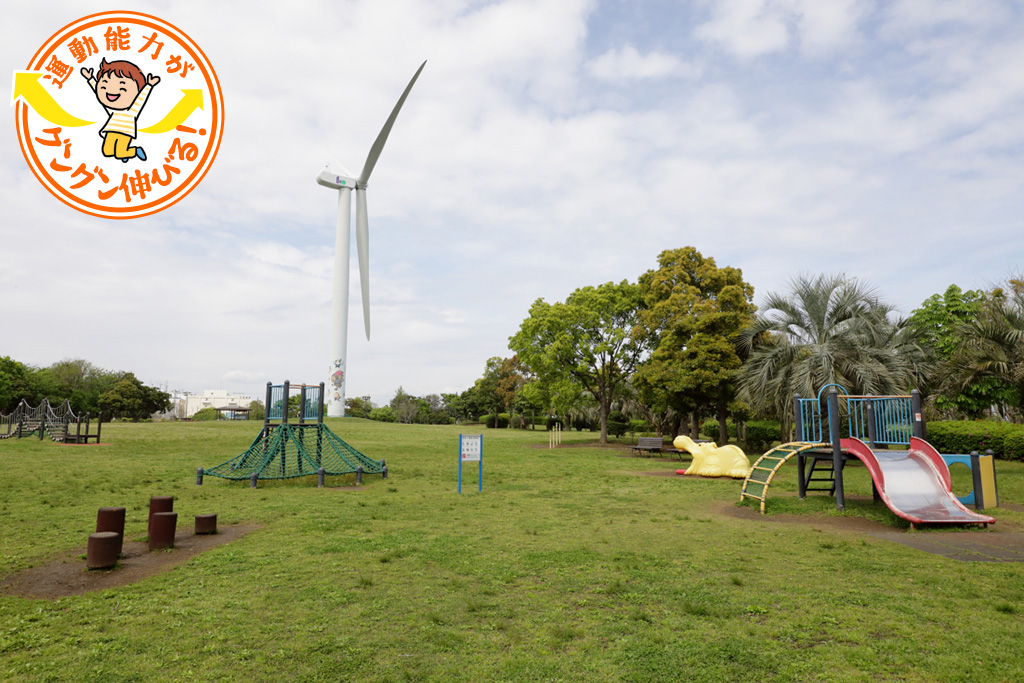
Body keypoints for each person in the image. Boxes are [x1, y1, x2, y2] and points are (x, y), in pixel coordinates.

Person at [80, 58, 160, 162]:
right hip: (111, 130)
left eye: (122, 84)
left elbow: (142, 98)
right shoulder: (112, 110)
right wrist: (90, 78)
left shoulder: (132, 110)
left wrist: (149, 85)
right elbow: (98, 90)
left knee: (120, 153)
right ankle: (125, 154)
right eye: (105, 82)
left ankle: (135, 151)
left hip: (125, 132)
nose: (112, 90)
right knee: (107, 151)